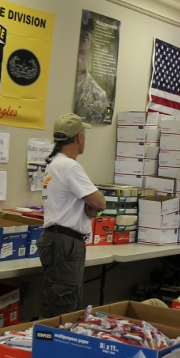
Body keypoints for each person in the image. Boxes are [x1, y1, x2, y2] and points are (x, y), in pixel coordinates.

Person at [39, 113, 105, 318]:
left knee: (57, 299)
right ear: (79, 138)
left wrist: (90, 206)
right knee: (65, 306)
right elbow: (99, 202)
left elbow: (88, 206)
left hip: (57, 239)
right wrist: (92, 206)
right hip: (65, 242)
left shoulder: (55, 164)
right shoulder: (69, 166)